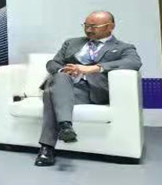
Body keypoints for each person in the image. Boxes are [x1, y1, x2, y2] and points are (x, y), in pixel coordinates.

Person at [34, 10, 142, 167]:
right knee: (60, 79)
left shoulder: (123, 47)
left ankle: (47, 148)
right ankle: (65, 127)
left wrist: (94, 68)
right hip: (66, 84)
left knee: (50, 94)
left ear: (110, 27)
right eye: (86, 25)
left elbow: (133, 62)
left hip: (92, 90)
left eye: (94, 26)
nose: (89, 30)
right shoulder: (71, 43)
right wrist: (63, 70)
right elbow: (52, 63)